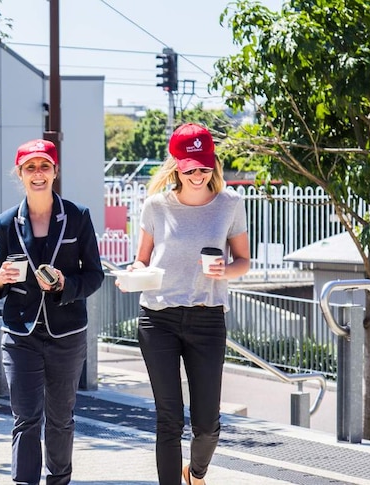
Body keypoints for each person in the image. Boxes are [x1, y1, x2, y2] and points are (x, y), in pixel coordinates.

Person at [123, 123, 250, 485]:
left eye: (204, 166)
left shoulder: (230, 205)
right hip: (157, 320)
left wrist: (225, 270)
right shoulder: (156, 206)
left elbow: (243, 260)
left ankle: (196, 474)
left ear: (213, 164)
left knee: (207, 424)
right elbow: (142, 259)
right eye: (190, 167)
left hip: (208, 319)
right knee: (169, 419)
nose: (198, 174)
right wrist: (133, 273)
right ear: (176, 165)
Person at [0, 139, 105, 485]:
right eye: (30, 168)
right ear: (20, 174)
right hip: (20, 333)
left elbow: (94, 275)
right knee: (26, 417)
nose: (37, 174)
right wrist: (0, 278)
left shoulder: (77, 216)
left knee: (60, 418)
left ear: (55, 172)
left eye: (44, 167)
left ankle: (59, 479)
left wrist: (63, 285)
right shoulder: (6, 222)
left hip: (66, 333)